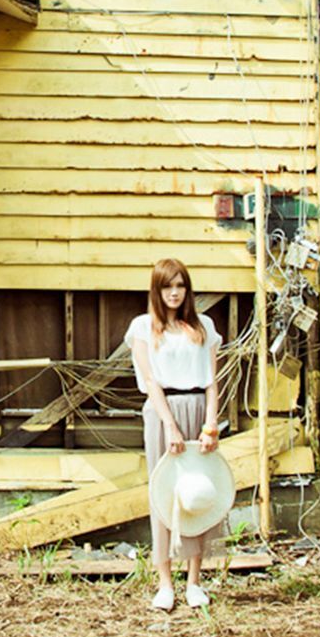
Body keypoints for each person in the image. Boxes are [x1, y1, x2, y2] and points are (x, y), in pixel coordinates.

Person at [126, 257, 226, 610]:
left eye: (180, 286)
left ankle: (194, 581)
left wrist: (210, 425)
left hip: (198, 408)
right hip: (162, 412)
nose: (174, 292)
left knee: (197, 493)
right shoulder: (142, 328)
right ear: (157, 290)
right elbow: (151, 381)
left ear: (187, 289)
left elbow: (212, 381)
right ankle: (165, 582)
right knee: (165, 494)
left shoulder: (203, 327)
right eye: (167, 286)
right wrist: (170, 425)